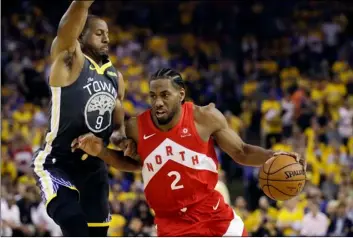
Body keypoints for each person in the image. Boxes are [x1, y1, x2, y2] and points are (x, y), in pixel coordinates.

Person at [72, 68, 305, 236]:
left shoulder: (204, 117)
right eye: (153, 96)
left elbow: (242, 152)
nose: (158, 102)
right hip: (171, 223)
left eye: (165, 95)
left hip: (213, 214)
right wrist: (102, 152)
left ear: (181, 94)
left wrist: (271, 156)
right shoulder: (136, 127)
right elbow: (133, 164)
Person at [31, 1, 134, 236]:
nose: (106, 39)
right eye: (99, 33)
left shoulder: (115, 77)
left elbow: (117, 127)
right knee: (74, 224)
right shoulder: (69, 60)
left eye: (107, 34)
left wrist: (122, 140)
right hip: (58, 161)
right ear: (80, 36)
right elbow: (67, 30)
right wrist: (82, 3)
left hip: (94, 168)